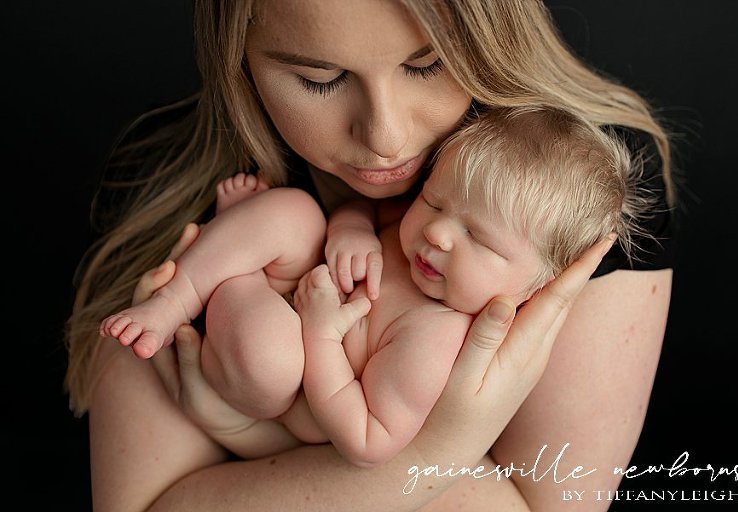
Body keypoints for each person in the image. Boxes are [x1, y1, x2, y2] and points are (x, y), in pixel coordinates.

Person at [65, 0, 674, 510]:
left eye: (428, 64)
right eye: (320, 78)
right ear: (239, 58)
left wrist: (434, 450)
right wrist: (447, 463)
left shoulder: (572, 199)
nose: (386, 138)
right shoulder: (172, 184)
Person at [99, 106, 646, 469]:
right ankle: (183, 292)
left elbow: (365, 440)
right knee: (297, 211)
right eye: (433, 200)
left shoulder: (437, 345)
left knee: (272, 358)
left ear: (536, 285)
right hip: (291, 286)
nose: (435, 231)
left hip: (286, 390)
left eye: (478, 238)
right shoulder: (419, 238)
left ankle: (235, 259)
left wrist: (319, 335)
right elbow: (363, 206)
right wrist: (354, 227)